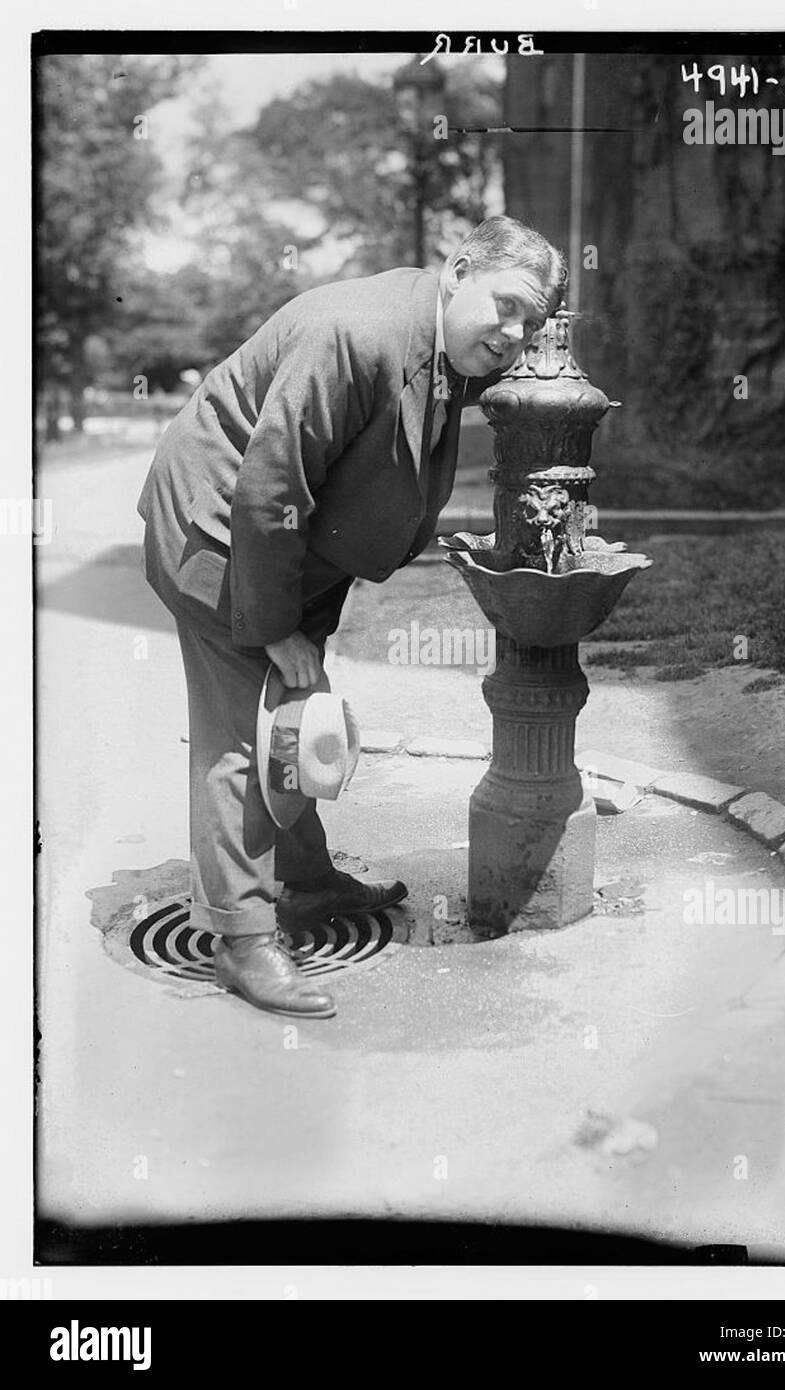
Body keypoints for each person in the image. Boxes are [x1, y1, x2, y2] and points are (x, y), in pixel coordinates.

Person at [137, 215, 567, 1018]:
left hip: (285, 552)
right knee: (241, 735)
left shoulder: (447, 341)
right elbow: (269, 488)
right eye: (506, 305)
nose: (513, 334)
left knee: (292, 718)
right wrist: (270, 627)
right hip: (218, 535)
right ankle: (242, 940)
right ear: (459, 269)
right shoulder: (354, 335)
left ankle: (303, 884)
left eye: (531, 324)